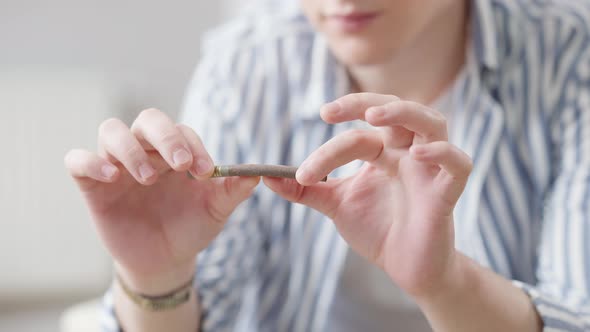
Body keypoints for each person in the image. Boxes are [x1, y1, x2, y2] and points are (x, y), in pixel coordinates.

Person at [64, 0, 590, 331]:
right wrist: (156, 276)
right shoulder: (246, 67)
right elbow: (211, 316)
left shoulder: (569, 59)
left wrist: (445, 283)